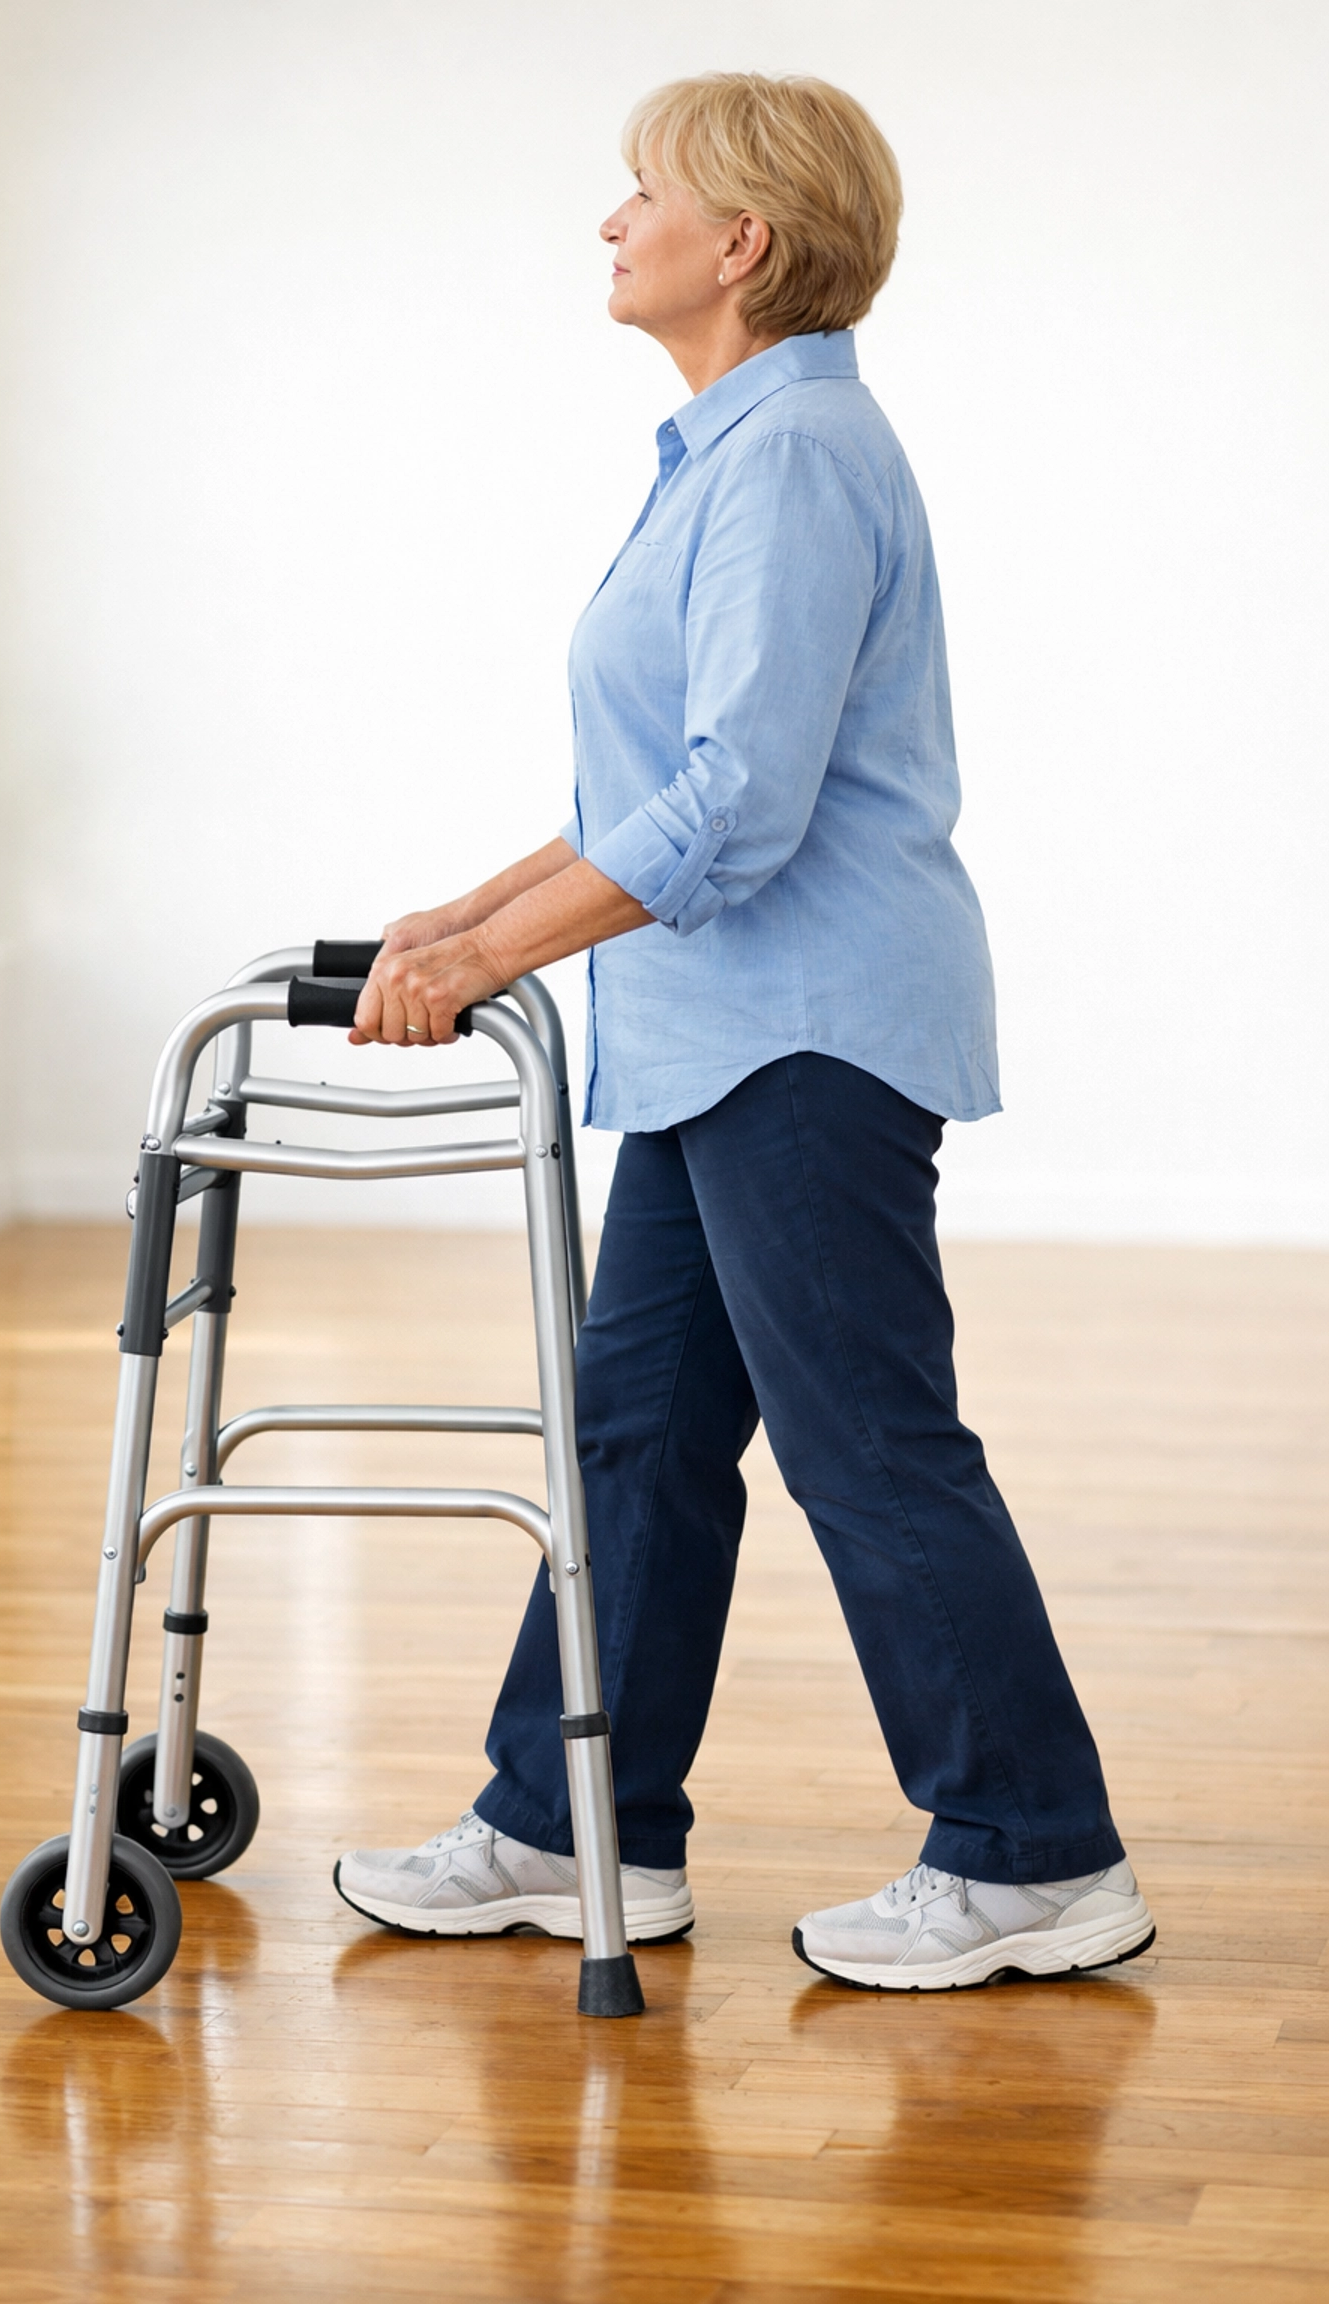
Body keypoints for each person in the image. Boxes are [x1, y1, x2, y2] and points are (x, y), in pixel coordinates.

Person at [333, 72, 1153, 1989]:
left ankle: (1036, 1852)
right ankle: (566, 1820)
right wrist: (467, 915)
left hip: (800, 1031)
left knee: (867, 1439)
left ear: (745, 244)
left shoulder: (787, 461)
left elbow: (733, 806)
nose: (610, 221)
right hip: (717, 1035)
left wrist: (488, 964)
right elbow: (648, 785)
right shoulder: (724, 452)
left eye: (643, 193)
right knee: (637, 1436)